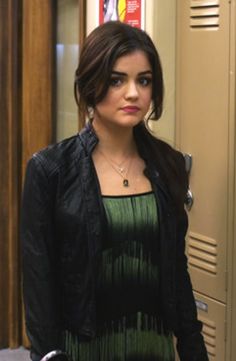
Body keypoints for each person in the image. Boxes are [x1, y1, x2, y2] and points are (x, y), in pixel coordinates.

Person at [21, 21, 209, 361]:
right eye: (117, 79)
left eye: (144, 80)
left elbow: (176, 272)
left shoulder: (168, 165)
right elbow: (39, 284)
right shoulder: (50, 170)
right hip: (84, 349)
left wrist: (194, 351)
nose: (134, 93)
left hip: (153, 346)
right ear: (91, 82)